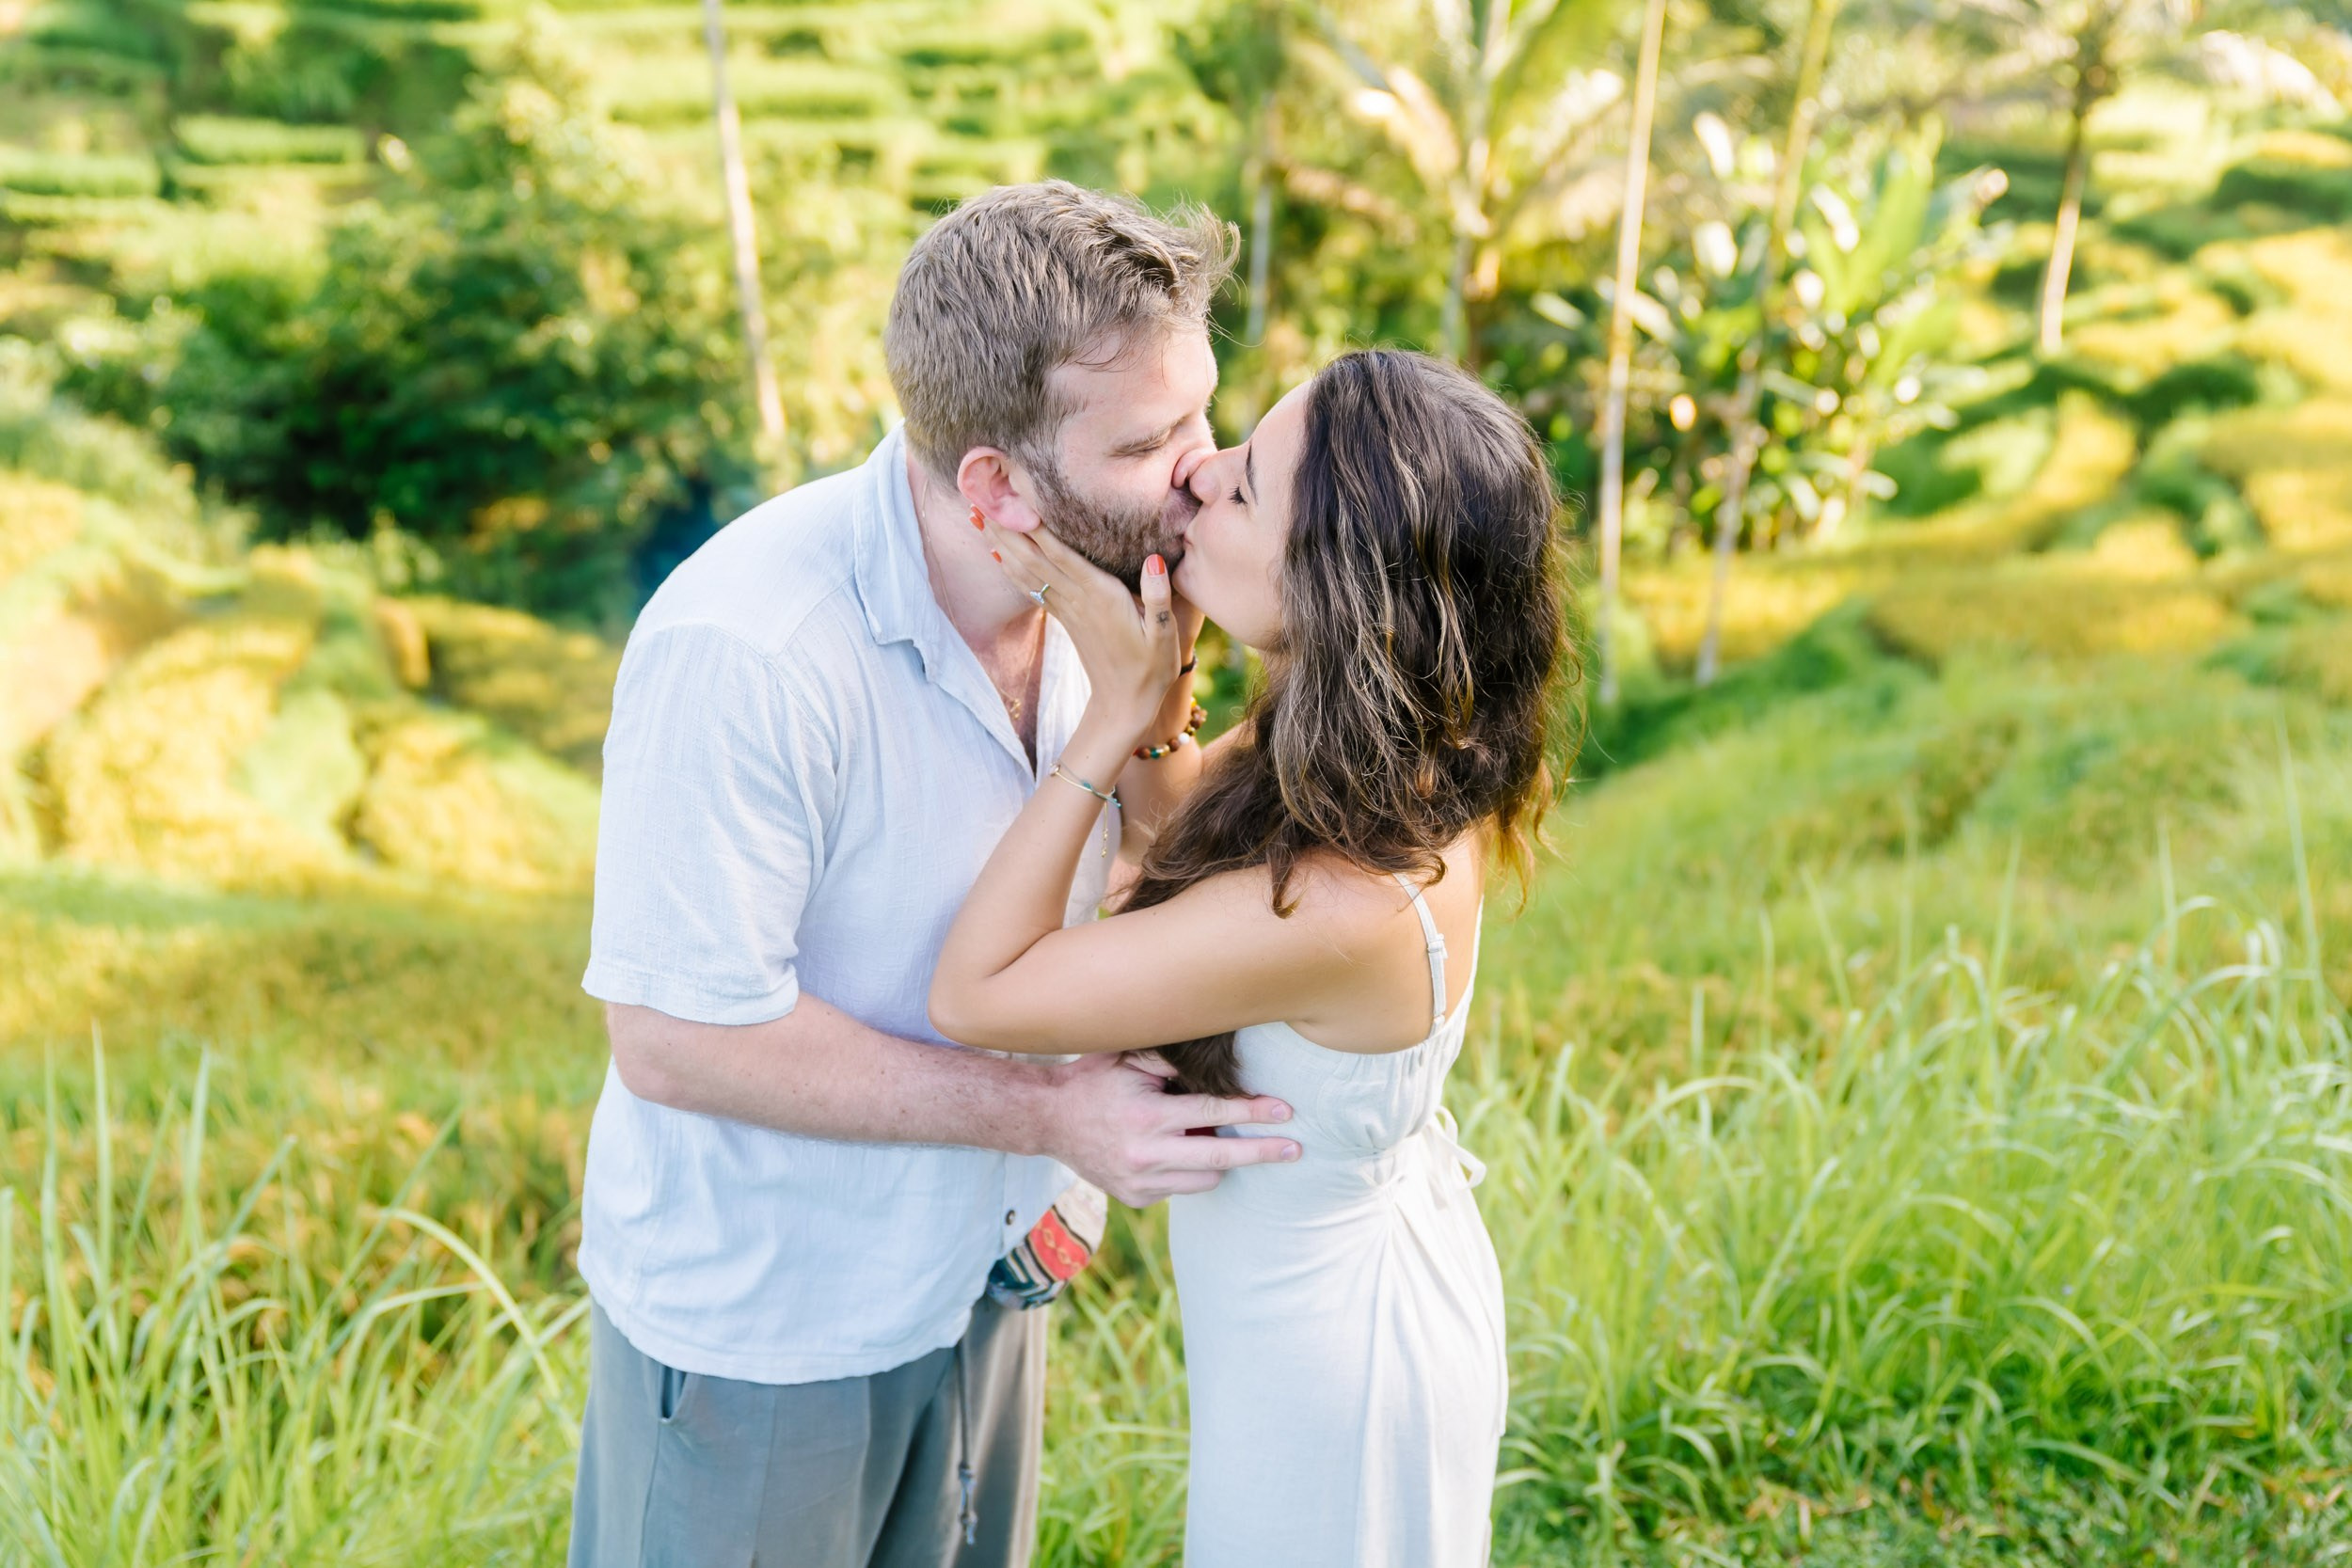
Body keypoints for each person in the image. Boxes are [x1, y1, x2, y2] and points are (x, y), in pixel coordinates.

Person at [566, 182, 1305, 1568]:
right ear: (996, 488)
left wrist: (1161, 692)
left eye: (1207, 412)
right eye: (1153, 440)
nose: (1206, 468)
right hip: (773, 1328)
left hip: (989, 1274)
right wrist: (1053, 1113)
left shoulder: (1113, 598)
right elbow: (671, 1039)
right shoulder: (749, 648)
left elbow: (1146, 872)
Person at [930, 349, 1575, 1568]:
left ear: (1336, 587)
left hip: (1332, 1373)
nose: (1196, 474)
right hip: (1334, 1300)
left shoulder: (1343, 905)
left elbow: (978, 994)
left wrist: (1106, 724)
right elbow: (1190, 854)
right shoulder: (1382, 763)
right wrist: (1163, 690)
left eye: (1243, 489)